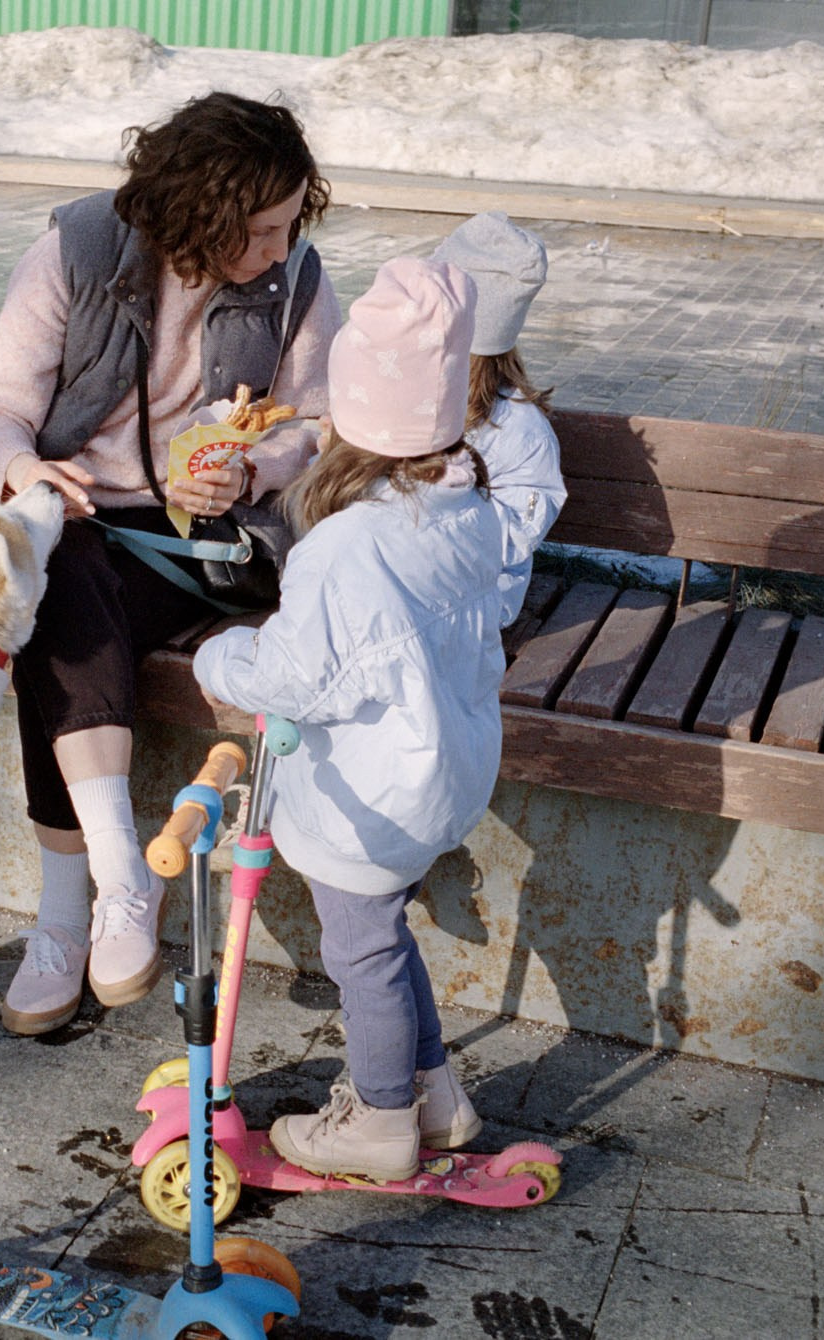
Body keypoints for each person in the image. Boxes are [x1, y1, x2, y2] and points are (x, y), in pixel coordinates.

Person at [0, 92, 343, 1036]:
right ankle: (121, 882)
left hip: (196, 554)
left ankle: (66, 913)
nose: (282, 250)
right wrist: (21, 465)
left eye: (292, 225)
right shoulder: (73, 254)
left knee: (52, 601)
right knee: (55, 567)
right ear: (203, 213)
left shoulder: (297, 286)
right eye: (264, 229)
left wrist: (252, 466)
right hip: (73, 522)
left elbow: (325, 430)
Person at [192, 256, 502, 1181]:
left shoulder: (349, 547)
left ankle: (378, 1118)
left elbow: (296, 681)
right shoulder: (461, 504)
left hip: (371, 791)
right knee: (387, 932)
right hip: (439, 767)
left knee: (360, 951)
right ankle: (434, 1091)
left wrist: (220, 657)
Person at [433, 212, 564, 624]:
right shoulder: (411, 394)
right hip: (409, 574)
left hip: (477, 592)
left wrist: (433, 500)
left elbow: (513, 535)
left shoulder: (521, 431)